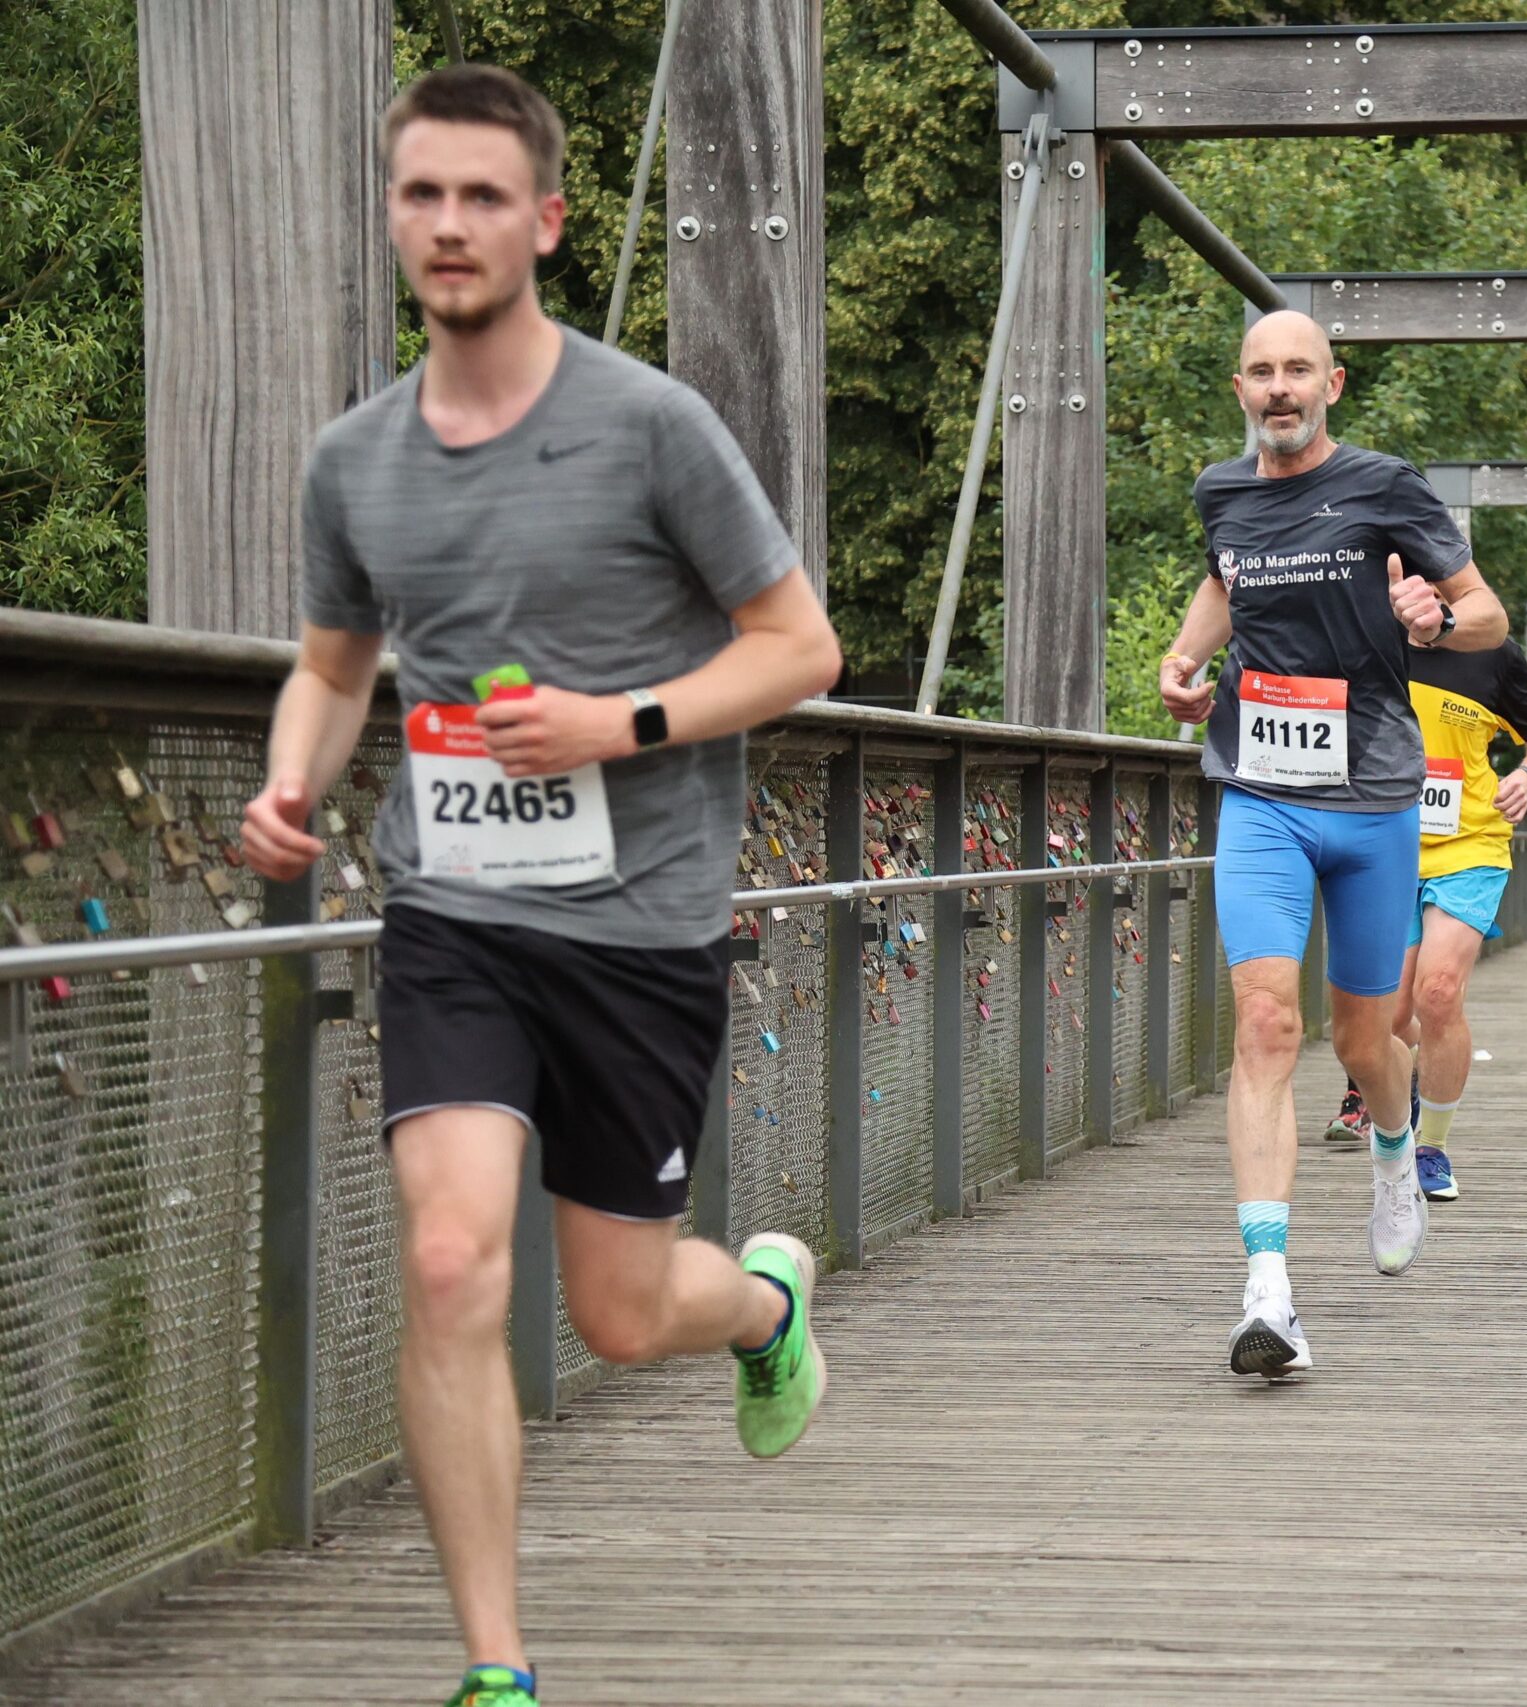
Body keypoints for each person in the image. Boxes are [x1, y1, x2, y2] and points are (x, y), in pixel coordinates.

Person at [236, 66, 843, 1707]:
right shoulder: (354, 460)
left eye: (484, 196)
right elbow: (332, 665)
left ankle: (761, 1302)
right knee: (450, 1259)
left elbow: (802, 646)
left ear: (547, 222)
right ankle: (496, 1666)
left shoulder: (652, 426)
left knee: (623, 1310)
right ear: (393, 215)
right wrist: (292, 779)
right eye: (423, 194)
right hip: (456, 912)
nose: (450, 224)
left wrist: (615, 721)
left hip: (641, 924)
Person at [1158, 308, 1508, 1381]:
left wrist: (1433, 623)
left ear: (1332, 385)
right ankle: (1267, 1289)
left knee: (1364, 1039)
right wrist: (1183, 660)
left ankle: (1396, 1152)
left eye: (1298, 370)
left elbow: (1488, 614)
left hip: (1372, 802)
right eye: (1261, 371)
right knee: (1266, 1023)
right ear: (1240, 389)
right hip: (1260, 794)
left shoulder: (1386, 486)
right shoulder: (1221, 491)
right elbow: (1224, 579)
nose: (1280, 388)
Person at [1375, 639, 1527, 1201]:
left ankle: (1430, 1147)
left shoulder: (1489, 649)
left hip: (1469, 843)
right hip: (1383, 842)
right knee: (1389, 1015)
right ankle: (1414, 1077)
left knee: (1437, 992)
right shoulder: (1365, 629)